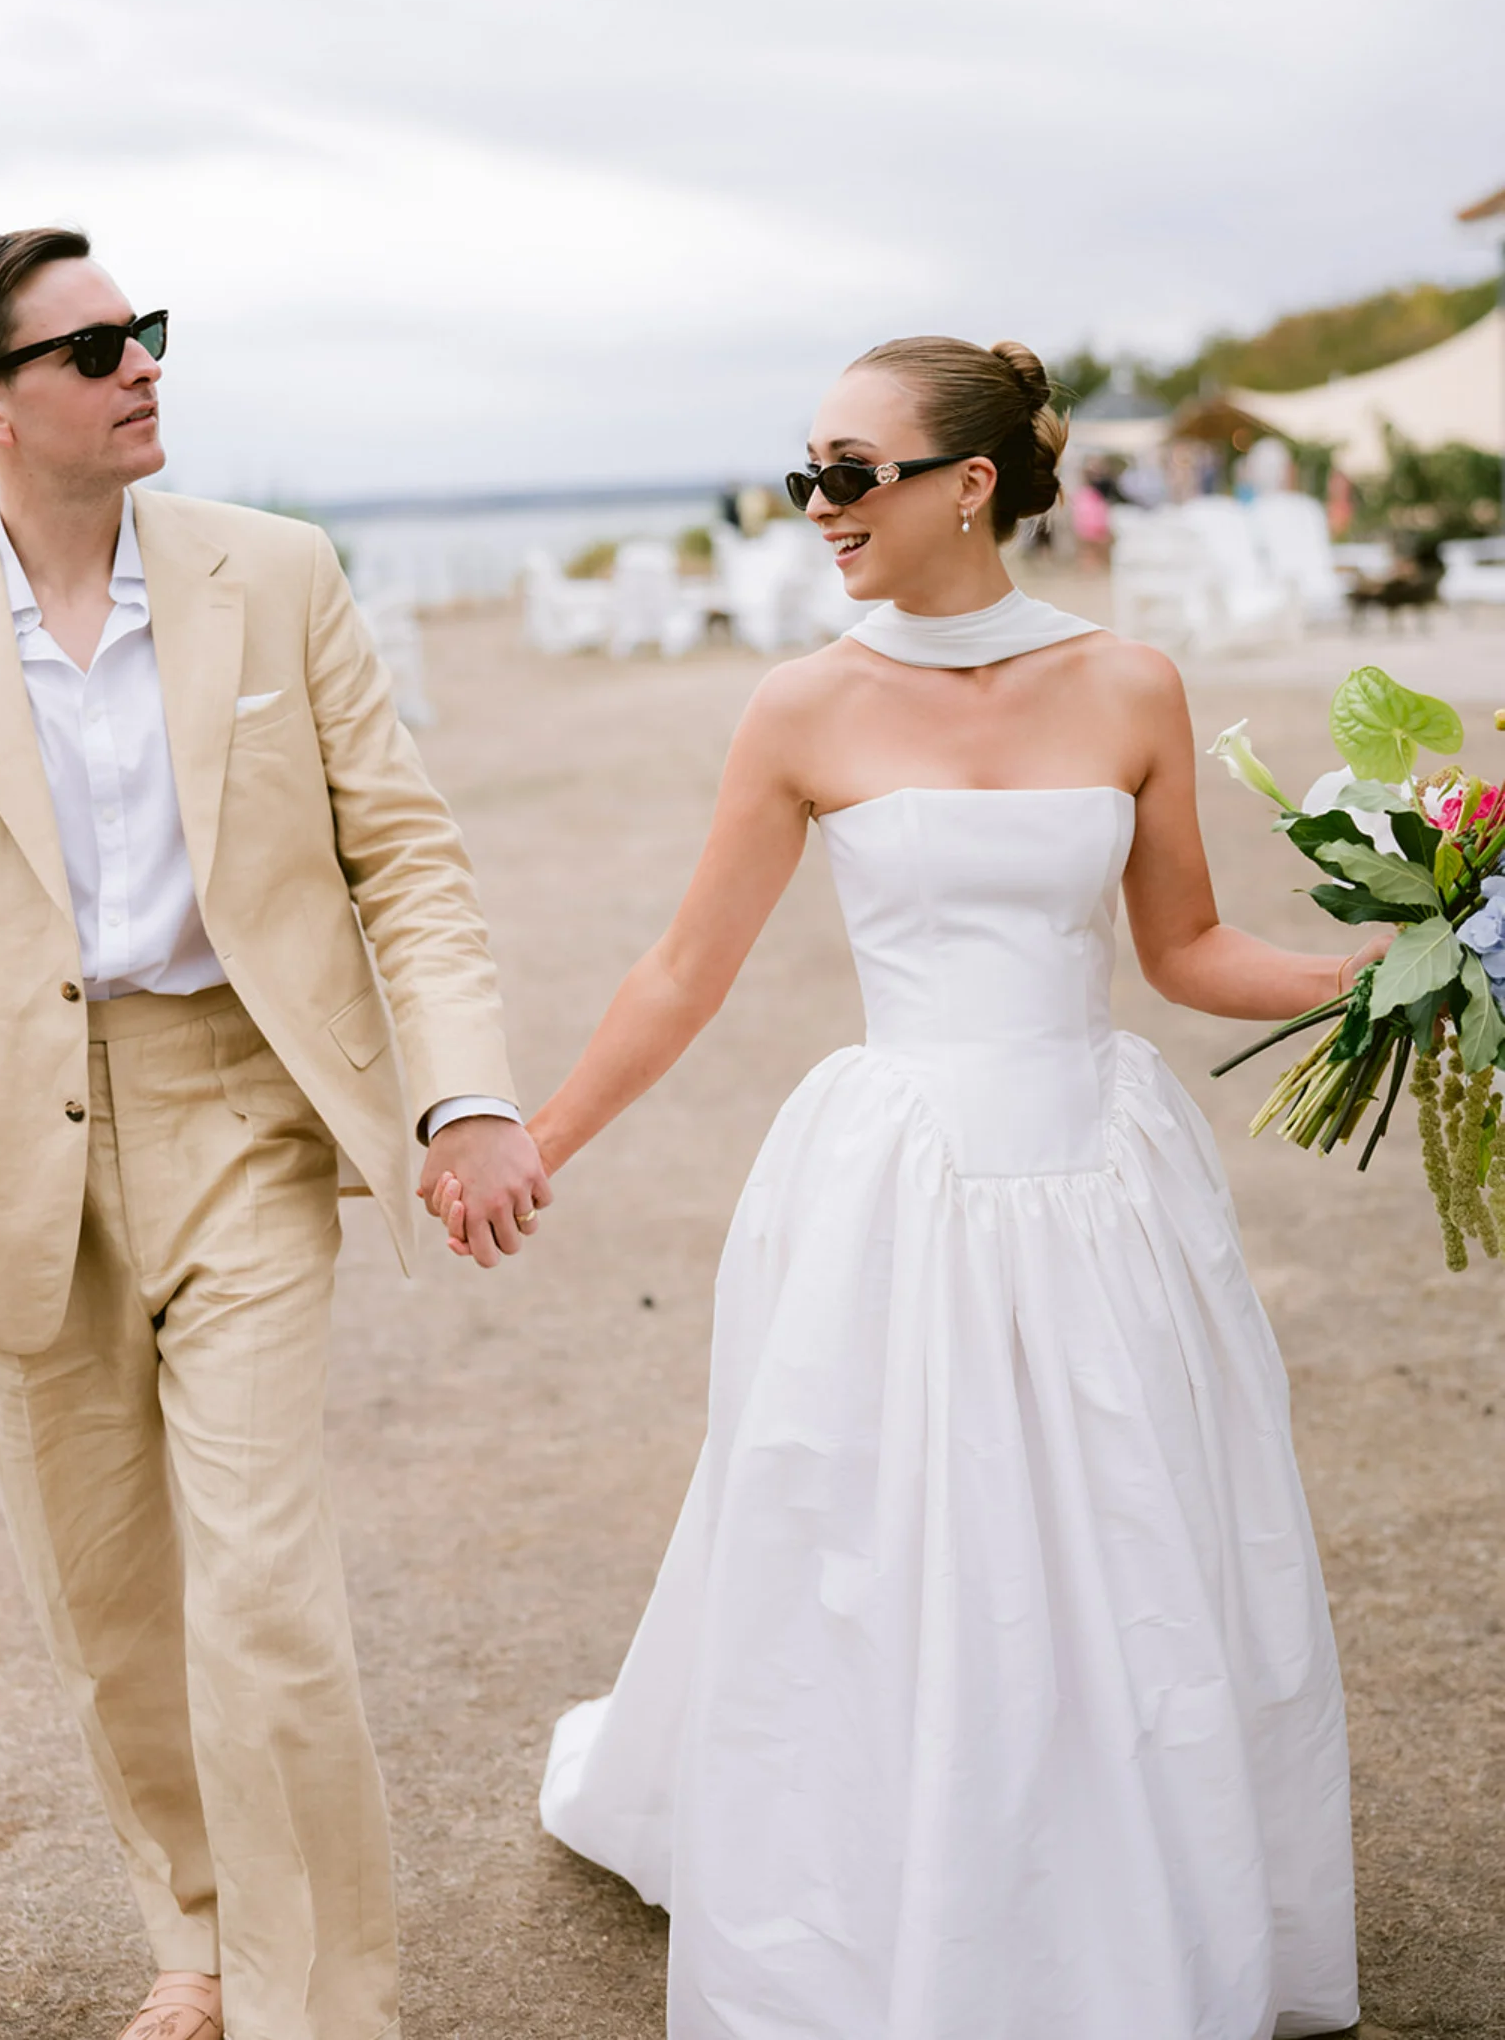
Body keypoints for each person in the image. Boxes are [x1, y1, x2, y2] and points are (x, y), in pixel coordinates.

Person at [442, 336, 1367, 2039]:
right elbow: (678, 971)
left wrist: (1393, 976)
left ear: (971, 481)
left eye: (851, 471)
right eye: (807, 473)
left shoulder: (1133, 682)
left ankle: (1122, 1894)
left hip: (1099, 1173)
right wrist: (536, 1134)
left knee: (1130, 1540)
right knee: (880, 1552)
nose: (821, 507)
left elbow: (1186, 948)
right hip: (903, 1192)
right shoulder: (803, 702)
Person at [0, 229, 550, 2040]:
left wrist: (466, 1089)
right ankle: (193, 1937)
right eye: (96, 345)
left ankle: (316, 2007)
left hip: (241, 1114)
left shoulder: (277, 574)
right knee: (107, 1605)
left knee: (261, 1590)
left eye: (147, 330)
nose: (143, 364)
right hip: (4, 1154)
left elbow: (403, 852)